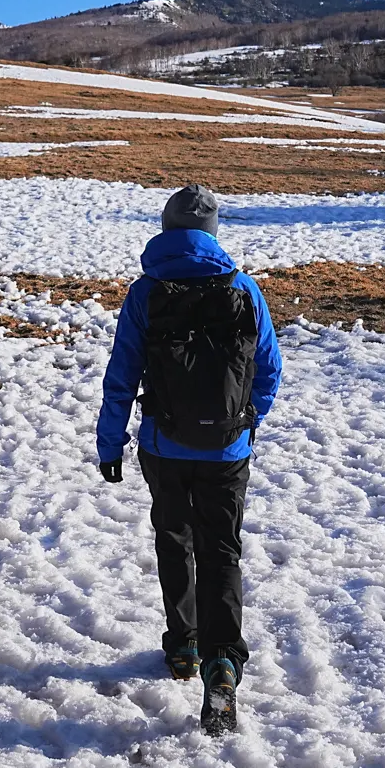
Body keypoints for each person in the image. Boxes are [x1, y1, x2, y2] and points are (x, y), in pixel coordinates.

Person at [95, 183, 283, 735]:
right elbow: (269, 371)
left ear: (166, 228)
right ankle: (223, 661)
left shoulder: (146, 292)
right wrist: (246, 421)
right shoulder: (244, 289)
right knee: (222, 550)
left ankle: (183, 646)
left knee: (173, 540)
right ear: (212, 232)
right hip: (228, 448)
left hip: (162, 446)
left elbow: (121, 377)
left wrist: (111, 444)